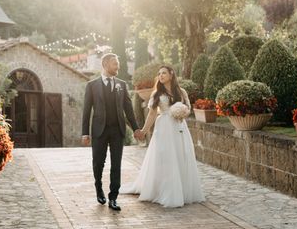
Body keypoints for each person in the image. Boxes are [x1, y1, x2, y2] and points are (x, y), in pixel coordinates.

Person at [121, 65, 205, 208]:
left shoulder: (181, 92)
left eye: (164, 73)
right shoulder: (156, 94)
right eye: (159, 73)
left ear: (171, 74)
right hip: (164, 127)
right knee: (165, 157)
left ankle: (183, 190)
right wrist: (144, 131)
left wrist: (182, 111)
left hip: (179, 127)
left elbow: (188, 109)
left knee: (181, 155)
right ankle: (164, 190)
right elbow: (152, 114)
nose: (161, 75)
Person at [82, 53, 144, 211]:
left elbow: (128, 110)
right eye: (115, 64)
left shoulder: (122, 85)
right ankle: (99, 189)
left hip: (118, 130)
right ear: (105, 65)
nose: (118, 67)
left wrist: (136, 128)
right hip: (99, 130)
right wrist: (85, 133)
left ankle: (113, 198)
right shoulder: (92, 85)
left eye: (118, 64)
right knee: (98, 163)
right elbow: (86, 111)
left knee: (116, 164)